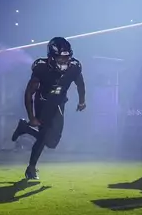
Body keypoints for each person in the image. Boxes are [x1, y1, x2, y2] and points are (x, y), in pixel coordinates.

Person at [11, 37, 86, 180]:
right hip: (43, 103)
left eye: (67, 58)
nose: (64, 62)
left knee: (52, 143)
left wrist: (82, 101)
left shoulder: (74, 67)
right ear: (51, 57)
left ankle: (24, 128)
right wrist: (32, 117)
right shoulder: (41, 68)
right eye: (60, 58)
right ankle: (31, 168)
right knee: (44, 137)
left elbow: (80, 84)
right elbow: (29, 93)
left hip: (59, 104)